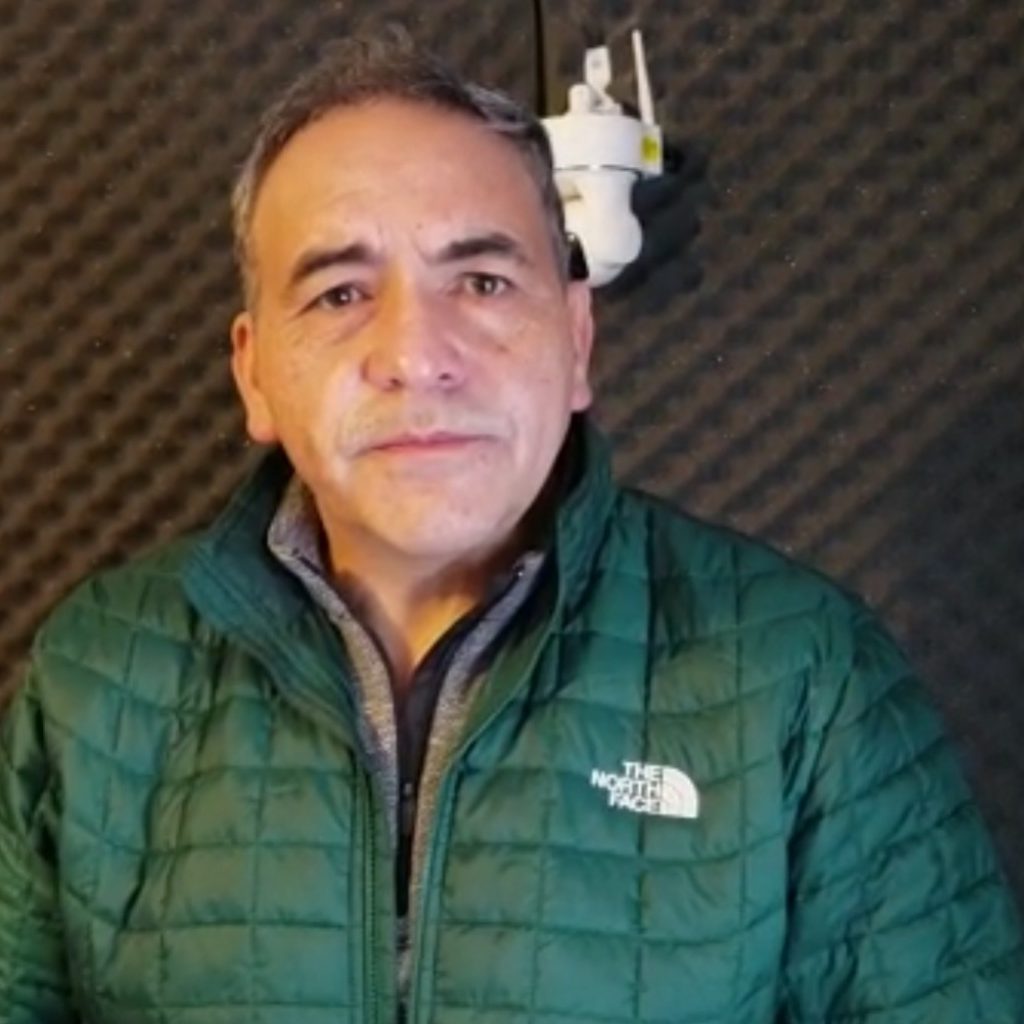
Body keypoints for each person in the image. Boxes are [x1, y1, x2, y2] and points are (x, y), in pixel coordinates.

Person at [1, 34, 1021, 1024]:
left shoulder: (804, 674)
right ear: (254, 371)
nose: (416, 353)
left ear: (575, 340)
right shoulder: (96, 674)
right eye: (341, 292)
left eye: (482, 282)